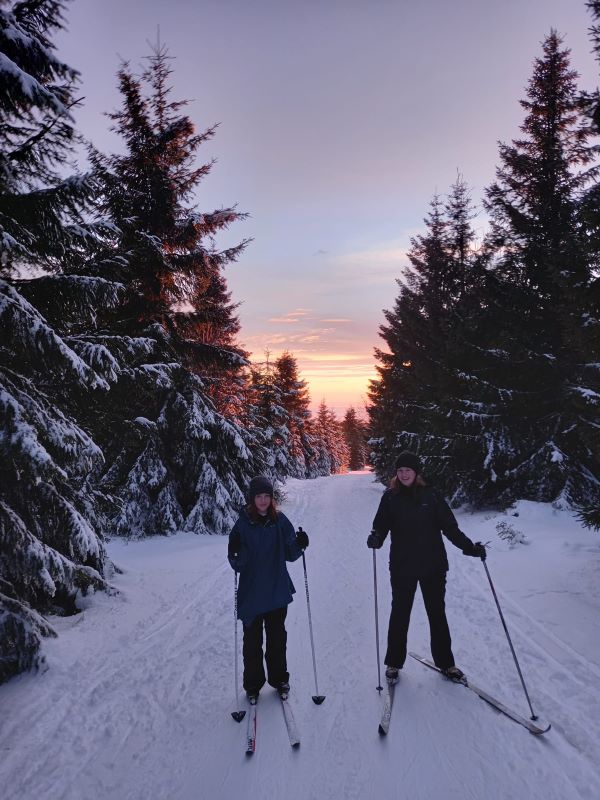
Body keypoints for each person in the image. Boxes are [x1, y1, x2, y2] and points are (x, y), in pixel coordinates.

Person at [367, 452, 486, 683]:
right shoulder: (390, 497)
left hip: (433, 566)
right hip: (402, 567)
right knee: (400, 614)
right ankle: (393, 663)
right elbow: (380, 526)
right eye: (400, 470)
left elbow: (450, 528)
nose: (403, 474)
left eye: (408, 470)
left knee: (437, 614)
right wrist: (376, 538)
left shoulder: (431, 496)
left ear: (416, 472)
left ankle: (446, 664)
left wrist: (469, 547)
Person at [228, 475, 309, 702]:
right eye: (259, 496)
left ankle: (279, 679)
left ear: (272, 499)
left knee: (277, 639)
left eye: (267, 496)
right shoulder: (242, 525)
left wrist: (300, 543)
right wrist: (235, 552)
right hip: (252, 594)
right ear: (252, 499)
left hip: (276, 590)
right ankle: (253, 685)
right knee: (252, 643)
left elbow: (291, 553)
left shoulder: (280, 521)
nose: (263, 501)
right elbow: (238, 564)